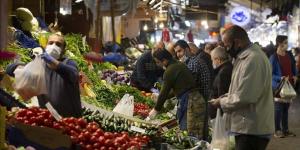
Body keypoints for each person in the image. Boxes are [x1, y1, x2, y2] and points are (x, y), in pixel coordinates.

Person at [211, 25, 274, 150]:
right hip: (247, 126)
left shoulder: (253, 59)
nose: (227, 50)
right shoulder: (244, 58)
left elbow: (245, 96)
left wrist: (221, 102)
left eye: (228, 46)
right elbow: (242, 89)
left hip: (252, 128)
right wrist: (226, 96)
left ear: (237, 42)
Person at [6, 33, 82, 117]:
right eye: (51, 43)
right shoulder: (39, 65)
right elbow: (9, 69)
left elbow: (73, 75)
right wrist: (19, 67)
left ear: (63, 50)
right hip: (47, 118)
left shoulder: (69, 63)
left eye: (58, 44)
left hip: (71, 120)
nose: (54, 46)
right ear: (46, 46)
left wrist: (53, 62)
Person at [147, 49, 207, 140]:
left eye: (158, 62)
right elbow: (175, 90)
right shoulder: (179, 64)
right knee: (194, 130)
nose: (157, 64)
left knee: (187, 131)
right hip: (196, 98)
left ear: (164, 60)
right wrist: (160, 98)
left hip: (189, 100)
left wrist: (156, 109)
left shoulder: (170, 70)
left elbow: (164, 92)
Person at [269, 35, 297, 138]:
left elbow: (293, 66)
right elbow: (270, 74)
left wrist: (295, 75)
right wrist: (279, 78)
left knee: (286, 109)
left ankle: (285, 130)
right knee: (278, 110)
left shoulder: (289, 55)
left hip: (289, 85)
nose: (286, 44)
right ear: (280, 44)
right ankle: (277, 130)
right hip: (278, 87)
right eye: (285, 42)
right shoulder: (273, 57)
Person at [209, 46, 233, 118]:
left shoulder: (223, 72)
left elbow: (222, 94)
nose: (212, 62)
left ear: (218, 59)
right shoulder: (228, 67)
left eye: (212, 60)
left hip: (220, 113)